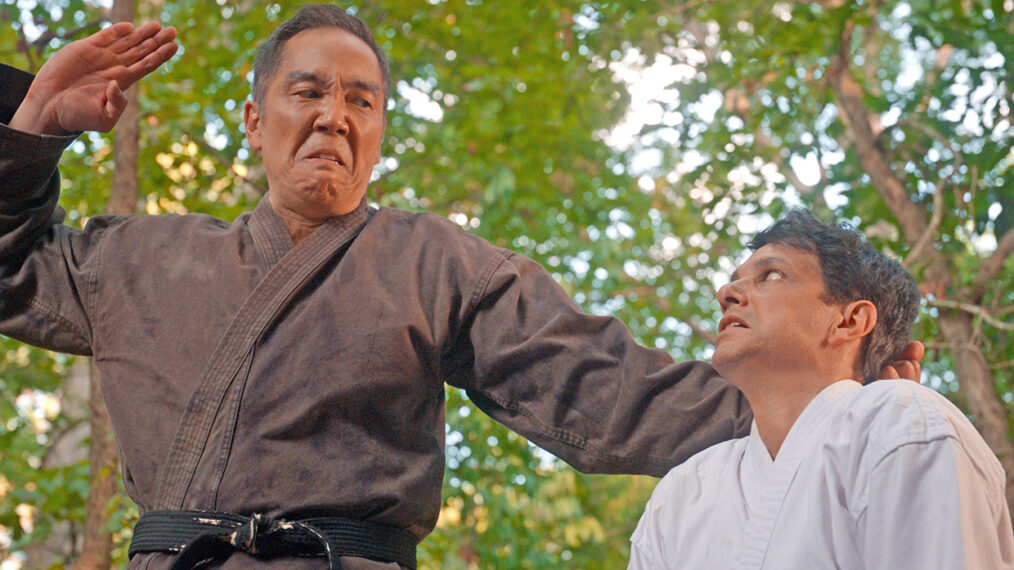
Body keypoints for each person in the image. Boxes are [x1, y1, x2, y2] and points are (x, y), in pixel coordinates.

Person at [0, 5, 922, 569]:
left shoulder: (434, 262)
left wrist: (842, 403)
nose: (334, 116)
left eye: (362, 100)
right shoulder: (138, 257)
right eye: (308, 91)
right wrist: (35, 123)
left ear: (382, 130)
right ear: (253, 116)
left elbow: (600, 389)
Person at [628, 210, 1012, 569]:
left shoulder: (901, 426)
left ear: (849, 321)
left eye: (772, 275)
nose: (727, 292)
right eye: (736, 278)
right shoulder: (683, 493)